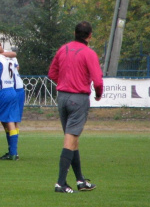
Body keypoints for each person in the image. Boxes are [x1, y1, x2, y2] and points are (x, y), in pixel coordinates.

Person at [48, 21, 103, 193]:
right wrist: (98, 94)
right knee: (70, 140)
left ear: (74, 33)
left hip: (62, 97)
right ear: (90, 35)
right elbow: (98, 80)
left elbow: (51, 73)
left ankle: (80, 180)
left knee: (73, 140)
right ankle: (60, 183)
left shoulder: (62, 49)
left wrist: (64, 84)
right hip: (78, 99)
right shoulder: (89, 53)